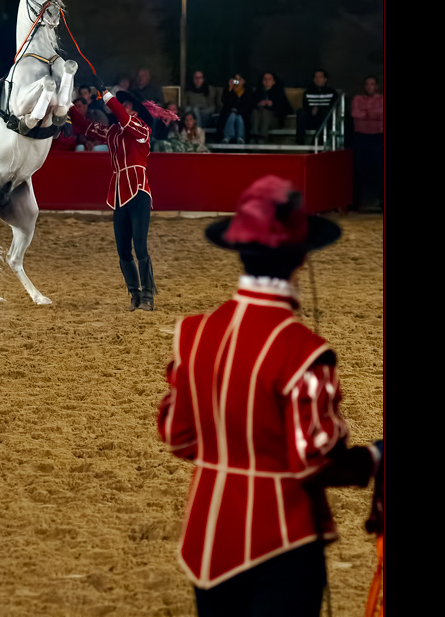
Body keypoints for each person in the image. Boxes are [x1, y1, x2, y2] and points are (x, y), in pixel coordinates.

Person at [158, 176, 382, 617]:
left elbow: (177, 437)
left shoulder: (193, 333)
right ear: (301, 259)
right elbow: (314, 461)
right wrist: (374, 459)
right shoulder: (304, 352)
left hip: (207, 536)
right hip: (282, 539)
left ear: (238, 252)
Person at [68, 84, 172, 311]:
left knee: (140, 246)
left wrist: (107, 96)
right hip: (118, 194)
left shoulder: (142, 130)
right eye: (122, 105)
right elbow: (86, 126)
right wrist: (67, 105)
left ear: (136, 113)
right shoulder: (114, 132)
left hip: (138, 193)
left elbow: (123, 118)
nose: (123, 109)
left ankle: (148, 295)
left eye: (127, 107)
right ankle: (135, 293)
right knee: (123, 249)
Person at [350, 75, 383, 210]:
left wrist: (366, 113)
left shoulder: (382, 99)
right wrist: (374, 114)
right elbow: (355, 114)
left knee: (381, 170)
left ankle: (381, 201)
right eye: (367, 84)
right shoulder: (357, 99)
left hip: (378, 137)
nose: (369, 87)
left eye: (372, 84)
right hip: (361, 137)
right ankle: (357, 203)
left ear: (377, 86)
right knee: (358, 170)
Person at [296, 69, 337, 145]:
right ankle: (299, 141)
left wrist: (319, 109)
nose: (318, 79)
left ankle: (316, 142)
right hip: (311, 118)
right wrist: (311, 110)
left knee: (324, 115)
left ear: (325, 79)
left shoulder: (332, 92)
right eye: (316, 77)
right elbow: (305, 106)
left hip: (324, 119)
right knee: (301, 112)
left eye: (320, 77)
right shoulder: (308, 92)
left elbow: (332, 108)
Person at [249, 71, 290, 144]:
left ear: (274, 81)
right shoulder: (257, 92)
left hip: (274, 120)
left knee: (266, 113)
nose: (267, 81)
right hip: (258, 119)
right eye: (265, 79)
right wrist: (259, 104)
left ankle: (263, 137)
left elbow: (286, 109)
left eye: (269, 79)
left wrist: (272, 104)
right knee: (255, 112)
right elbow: (250, 106)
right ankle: (254, 136)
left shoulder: (279, 93)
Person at [218, 73, 254, 144]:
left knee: (239, 117)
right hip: (229, 112)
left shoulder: (248, 91)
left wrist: (239, 110)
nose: (236, 81)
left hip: (243, 113)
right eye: (235, 79)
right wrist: (230, 89)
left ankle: (240, 137)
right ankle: (228, 136)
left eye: (239, 79)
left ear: (243, 81)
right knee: (232, 116)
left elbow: (248, 105)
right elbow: (225, 102)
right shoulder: (229, 89)